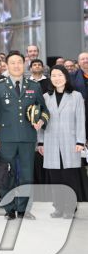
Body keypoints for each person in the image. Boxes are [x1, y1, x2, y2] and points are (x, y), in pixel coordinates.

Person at [0, 51, 48, 220]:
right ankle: (9, 209)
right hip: (5, 139)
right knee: (6, 174)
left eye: (19, 62)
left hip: (27, 138)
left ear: (24, 65)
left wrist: (41, 121)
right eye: (12, 62)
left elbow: (44, 110)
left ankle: (23, 209)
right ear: (6, 66)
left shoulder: (34, 86)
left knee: (26, 175)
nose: (16, 65)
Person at [37, 65, 85, 218]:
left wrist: (80, 141)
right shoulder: (45, 97)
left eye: (60, 75)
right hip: (50, 142)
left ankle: (70, 208)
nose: (57, 78)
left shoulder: (76, 96)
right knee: (55, 177)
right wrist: (40, 142)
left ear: (66, 77)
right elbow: (42, 122)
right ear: (50, 78)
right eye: (53, 75)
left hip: (70, 142)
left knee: (69, 177)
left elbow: (80, 120)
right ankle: (58, 207)